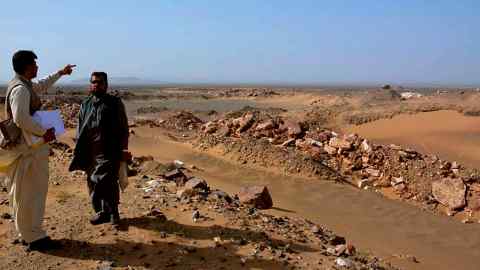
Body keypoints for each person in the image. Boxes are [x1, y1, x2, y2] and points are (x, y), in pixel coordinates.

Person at [4, 50, 75, 251]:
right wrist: (45, 133)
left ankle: (25, 232)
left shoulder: (24, 85)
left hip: (26, 148)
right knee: (31, 192)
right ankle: (34, 237)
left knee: (22, 192)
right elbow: (21, 119)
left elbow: (41, 85)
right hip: (28, 150)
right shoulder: (20, 89)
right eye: (35, 64)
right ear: (27, 67)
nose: (37, 67)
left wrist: (60, 73)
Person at [69, 72, 130, 226]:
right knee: (92, 182)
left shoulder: (114, 103)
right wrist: (78, 144)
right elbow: (80, 125)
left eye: (100, 82)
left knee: (107, 182)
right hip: (89, 150)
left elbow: (123, 128)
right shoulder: (86, 103)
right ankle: (101, 212)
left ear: (106, 85)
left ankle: (113, 213)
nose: (96, 84)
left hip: (109, 150)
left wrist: (123, 149)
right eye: (93, 82)